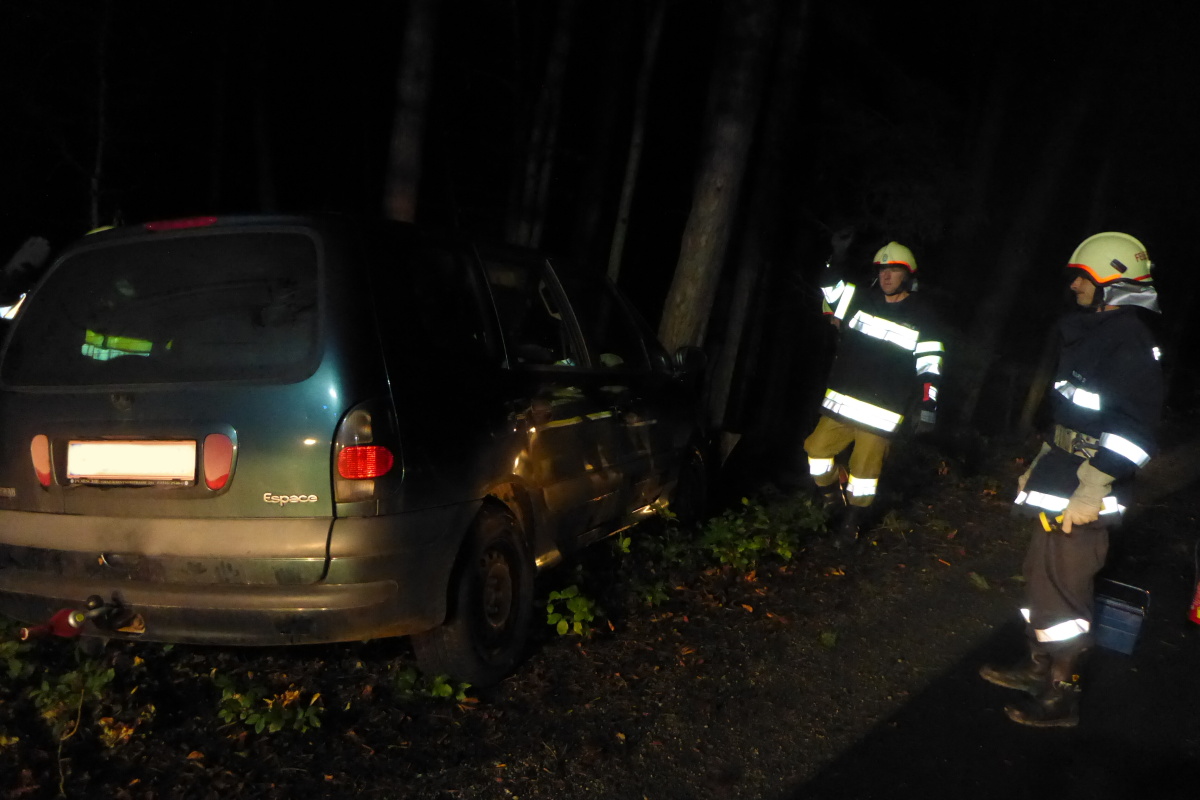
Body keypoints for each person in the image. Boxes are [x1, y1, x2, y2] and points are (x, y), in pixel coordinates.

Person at [980, 231, 1163, 727]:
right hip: (1060, 476)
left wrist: (1094, 485)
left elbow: (1137, 431)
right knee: (1041, 579)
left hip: (1087, 489)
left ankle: (1062, 695)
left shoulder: (1129, 341)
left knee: (1066, 590)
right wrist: (1042, 458)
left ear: (1113, 284)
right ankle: (1037, 666)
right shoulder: (1091, 333)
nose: (1075, 286)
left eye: (1084, 278)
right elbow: (1071, 415)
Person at [804, 241, 945, 548]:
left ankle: (851, 523)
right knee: (815, 450)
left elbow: (930, 365)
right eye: (882, 270)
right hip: (842, 404)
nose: (886, 276)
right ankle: (831, 498)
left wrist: (928, 405)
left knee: (864, 476)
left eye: (894, 270)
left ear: (908, 276)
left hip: (881, 412)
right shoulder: (859, 299)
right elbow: (829, 289)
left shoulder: (923, 315)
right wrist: (838, 256)